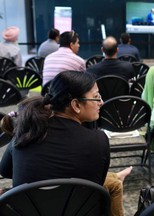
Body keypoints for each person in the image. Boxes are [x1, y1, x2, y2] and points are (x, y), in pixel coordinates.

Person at [0, 71, 130, 216]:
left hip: (31, 209)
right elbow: (95, 184)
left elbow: (5, 171)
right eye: (96, 97)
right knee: (110, 184)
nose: (101, 102)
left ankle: (116, 177)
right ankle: (117, 178)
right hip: (78, 210)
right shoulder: (98, 140)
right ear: (75, 105)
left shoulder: (27, 131)